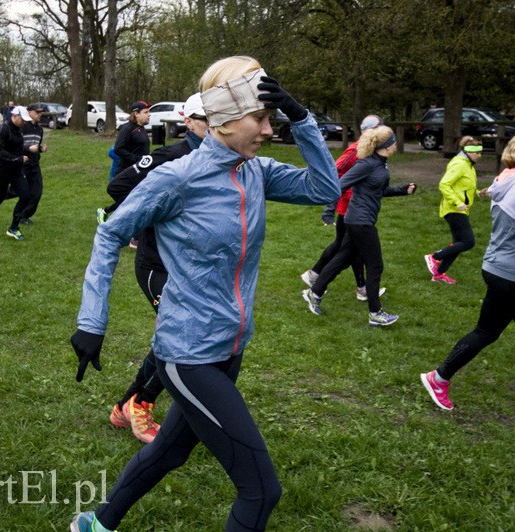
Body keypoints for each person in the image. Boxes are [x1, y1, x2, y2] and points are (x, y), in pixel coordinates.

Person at [69, 56, 340, 532]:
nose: (268, 129)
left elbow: (324, 188)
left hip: (230, 347)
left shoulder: (254, 171)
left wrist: (302, 119)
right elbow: (111, 234)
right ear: (223, 119)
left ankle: (95, 523)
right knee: (260, 491)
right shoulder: (178, 178)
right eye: (260, 118)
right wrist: (92, 321)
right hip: (187, 353)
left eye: (271, 118)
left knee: (170, 451)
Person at [420, 132, 515, 412]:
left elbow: (513, 227)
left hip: (503, 267)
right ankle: (438, 378)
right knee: (487, 331)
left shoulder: (505, 181)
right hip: (509, 274)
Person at [104, 92, 208, 444]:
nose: (213, 125)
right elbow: (118, 185)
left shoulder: (221, 159)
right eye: (204, 119)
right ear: (188, 121)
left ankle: (123, 406)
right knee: (184, 335)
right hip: (156, 266)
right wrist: (149, 215)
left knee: (179, 335)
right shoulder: (170, 155)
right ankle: (142, 403)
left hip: (190, 267)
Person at [302, 125, 416, 327]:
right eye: (394, 142)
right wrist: (329, 210)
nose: (397, 144)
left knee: (344, 257)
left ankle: (314, 292)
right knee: (375, 265)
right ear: (387, 146)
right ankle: (375, 312)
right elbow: (339, 185)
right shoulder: (366, 164)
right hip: (359, 221)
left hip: (361, 219)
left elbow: (378, 190)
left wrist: (401, 190)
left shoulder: (381, 164)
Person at [300, 114, 389, 302]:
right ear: (371, 131)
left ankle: (318, 278)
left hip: (358, 206)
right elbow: (335, 171)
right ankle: (320, 281)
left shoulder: (373, 151)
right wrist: (329, 207)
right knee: (348, 249)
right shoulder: (355, 150)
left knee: (348, 248)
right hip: (349, 206)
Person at [424, 136, 489, 284]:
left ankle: (439, 274)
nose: (480, 155)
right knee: (468, 241)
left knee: (457, 244)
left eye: (480, 152)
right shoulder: (459, 164)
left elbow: (464, 187)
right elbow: (444, 184)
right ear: (467, 151)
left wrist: (479, 193)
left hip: (460, 208)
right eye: (477, 152)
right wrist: (457, 202)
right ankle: (434, 257)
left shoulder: (468, 165)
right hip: (453, 209)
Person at [96, 101, 152, 243]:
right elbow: (118, 149)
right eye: (145, 112)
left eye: (149, 112)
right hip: (126, 171)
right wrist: (137, 159)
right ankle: (133, 235)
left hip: (140, 171)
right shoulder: (127, 128)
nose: (149, 115)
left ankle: (107, 213)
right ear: (136, 113)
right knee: (132, 203)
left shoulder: (141, 128)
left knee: (133, 201)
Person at [0, 106, 31, 241]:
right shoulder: (3, 129)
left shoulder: (19, 131)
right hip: (2, 171)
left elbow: (18, 149)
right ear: (14, 116)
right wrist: (18, 159)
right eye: (22, 119)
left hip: (16, 171)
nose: (24, 122)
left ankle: (14, 227)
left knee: (25, 196)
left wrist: (26, 154)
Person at [19, 104, 49, 225]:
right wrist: (27, 149)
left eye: (41, 112)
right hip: (22, 164)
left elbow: (35, 146)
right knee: (17, 191)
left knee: (37, 192)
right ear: (29, 112)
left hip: (34, 165)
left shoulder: (39, 129)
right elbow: (16, 145)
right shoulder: (22, 127)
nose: (39, 114)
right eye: (37, 112)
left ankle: (24, 216)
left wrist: (41, 149)